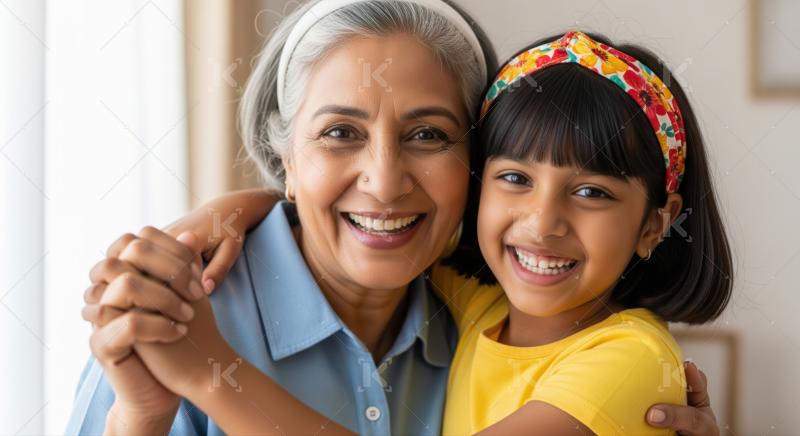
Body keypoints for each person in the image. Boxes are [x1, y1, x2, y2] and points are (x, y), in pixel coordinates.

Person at [68, 1, 721, 435]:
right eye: (339, 133)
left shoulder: (468, 303)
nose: (384, 182)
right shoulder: (174, 317)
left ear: (469, 162)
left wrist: (204, 372)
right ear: (284, 152)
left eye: (429, 135)